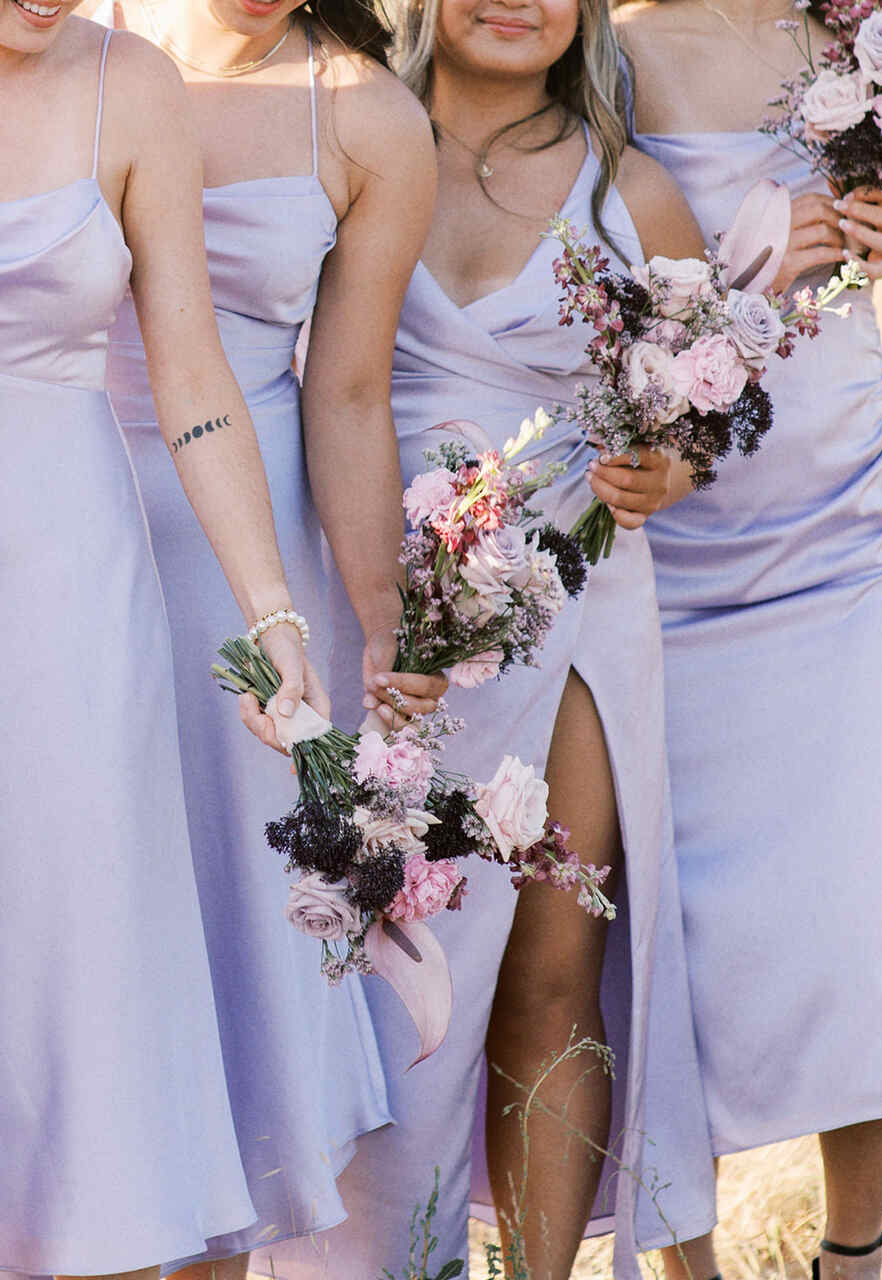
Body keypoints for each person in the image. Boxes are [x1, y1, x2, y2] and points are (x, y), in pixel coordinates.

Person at [248, 0, 714, 1275]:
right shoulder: (348, 143)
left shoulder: (637, 195)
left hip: (569, 610)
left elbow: (701, 409)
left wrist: (664, 469)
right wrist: (368, 610)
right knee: (377, 953)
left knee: (553, 959)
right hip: (372, 604)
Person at [85, 0, 447, 1275]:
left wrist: (379, 619)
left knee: (228, 946)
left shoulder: (372, 120)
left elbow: (346, 392)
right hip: (63, 503)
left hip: (247, 566)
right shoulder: (67, 35)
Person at [608, 1, 882, 1275]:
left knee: (861, 897)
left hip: (840, 522)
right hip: (674, 532)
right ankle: (684, 1264)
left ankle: (854, 1254)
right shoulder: (607, 48)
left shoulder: (880, 48)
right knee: (668, 932)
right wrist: (745, 249)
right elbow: (584, 260)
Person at [0, 3, 331, 1276]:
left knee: (81, 958)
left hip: (76, 589)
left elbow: (191, 372)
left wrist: (274, 611)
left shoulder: (130, 86)